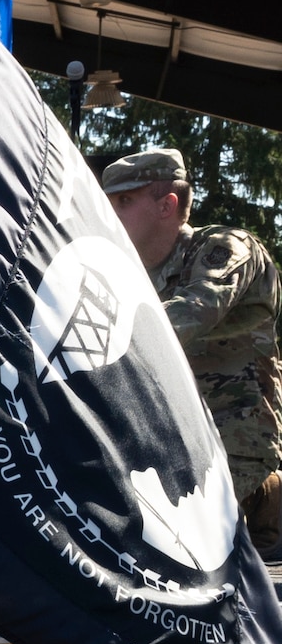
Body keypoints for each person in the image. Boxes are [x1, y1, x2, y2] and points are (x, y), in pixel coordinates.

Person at [102, 147, 282, 552]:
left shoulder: (226, 248)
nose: (109, 212)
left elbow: (191, 311)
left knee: (173, 537)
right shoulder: (125, 271)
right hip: (168, 436)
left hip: (235, 435)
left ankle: (267, 499)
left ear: (167, 205)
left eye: (124, 201)